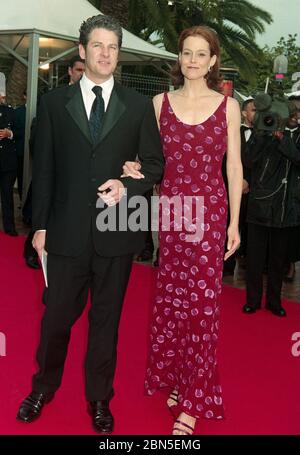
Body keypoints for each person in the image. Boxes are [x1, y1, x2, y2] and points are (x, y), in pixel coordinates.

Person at [16, 14, 164, 434]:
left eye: (113, 47)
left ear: (119, 54)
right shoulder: (53, 104)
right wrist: (39, 228)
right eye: (98, 46)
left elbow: (154, 165)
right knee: (55, 319)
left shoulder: (137, 106)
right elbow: (42, 170)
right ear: (82, 51)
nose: (105, 54)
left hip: (117, 233)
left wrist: (129, 187)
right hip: (64, 233)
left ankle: (99, 399)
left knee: (105, 323)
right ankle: (42, 388)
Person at [122, 25, 242, 434]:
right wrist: (134, 169)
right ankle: (175, 378)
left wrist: (235, 223)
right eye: (186, 53)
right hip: (171, 213)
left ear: (212, 61)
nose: (192, 60)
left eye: (200, 54)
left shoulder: (229, 107)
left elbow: (234, 167)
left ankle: (193, 401)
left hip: (209, 214)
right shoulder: (159, 103)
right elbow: (149, 159)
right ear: (180, 58)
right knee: (172, 300)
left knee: (203, 307)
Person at [243, 104, 300, 317]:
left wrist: (281, 138)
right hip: (259, 205)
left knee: (278, 261)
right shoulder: (261, 135)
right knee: (254, 259)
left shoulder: (293, 137)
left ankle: (275, 302)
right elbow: (248, 160)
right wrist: (262, 135)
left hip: (285, 208)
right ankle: (252, 300)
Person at [0, 93, 18, 236]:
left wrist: (9, 133)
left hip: (7, 163)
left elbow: (20, 133)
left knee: (7, 196)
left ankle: (10, 229)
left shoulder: (11, 112)